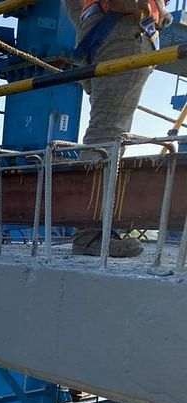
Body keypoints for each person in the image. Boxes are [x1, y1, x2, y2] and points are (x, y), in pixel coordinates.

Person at [62, 0, 172, 257]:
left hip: (103, 33)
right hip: (123, 30)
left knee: (106, 130)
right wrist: (134, 5)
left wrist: (160, 11)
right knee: (108, 132)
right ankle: (89, 233)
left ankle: (91, 226)